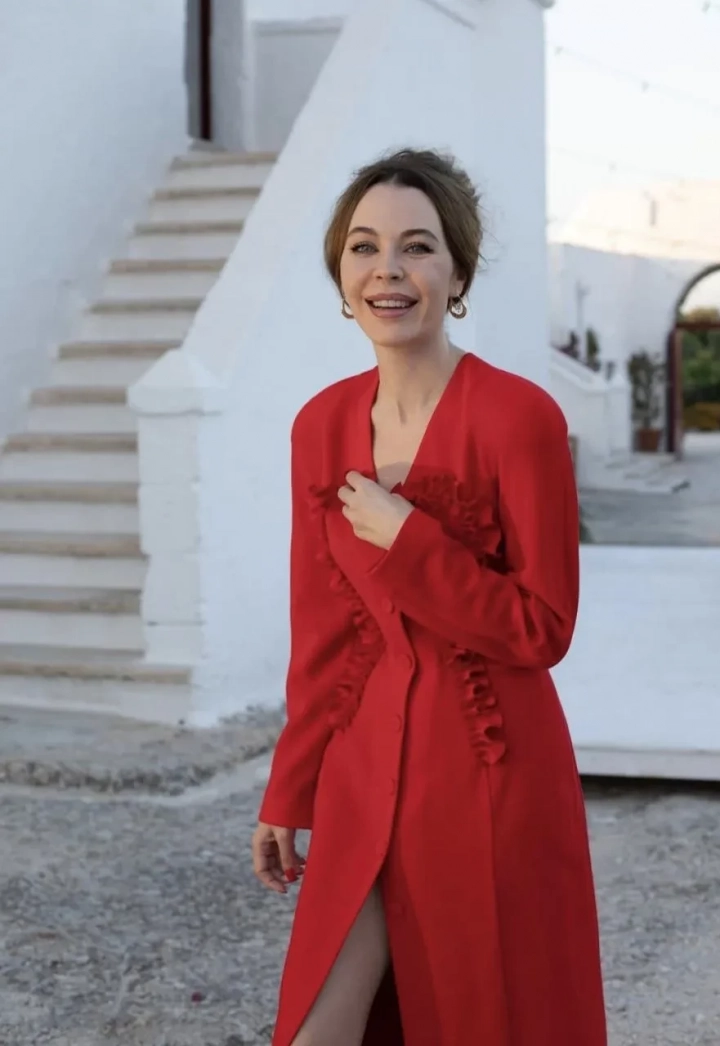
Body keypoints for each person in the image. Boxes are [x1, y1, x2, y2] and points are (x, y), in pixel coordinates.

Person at [251, 148, 607, 1046]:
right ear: (341, 274)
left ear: (458, 272)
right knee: (320, 1025)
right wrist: (290, 789)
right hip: (364, 771)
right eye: (364, 247)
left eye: (417, 247)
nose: (388, 271)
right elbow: (322, 633)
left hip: (487, 777)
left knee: (483, 1015)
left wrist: (413, 543)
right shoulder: (319, 425)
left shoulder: (520, 418)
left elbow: (544, 628)